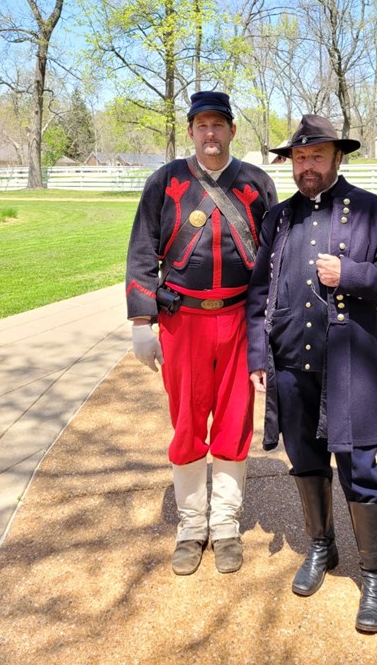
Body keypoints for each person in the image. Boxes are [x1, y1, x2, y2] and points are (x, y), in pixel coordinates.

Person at [246, 114, 377, 633]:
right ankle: (322, 546)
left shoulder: (370, 210)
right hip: (291, 363)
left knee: (359, 466)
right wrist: (259, 357)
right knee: (306, 462)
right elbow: (257, 296)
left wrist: (353, 275)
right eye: (299, 158)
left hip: (349, 364)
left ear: (337, 157)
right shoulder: (277, 219)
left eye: (317, 156)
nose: (307, 166)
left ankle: (374, 572)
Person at [126, 91, 277, 576]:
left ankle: (227, 524)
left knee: (235, 423)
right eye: (202, 125)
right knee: (188, 424)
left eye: (219, 125)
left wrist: (271, 330)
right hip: (182, 323)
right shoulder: (165, 181)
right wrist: (141, 322)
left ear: (233, 130)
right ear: (191, 131)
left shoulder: (256, 183)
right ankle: (192, 526)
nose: (210, 134)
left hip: (239, 320)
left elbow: (274, 261)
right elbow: (143, 251)